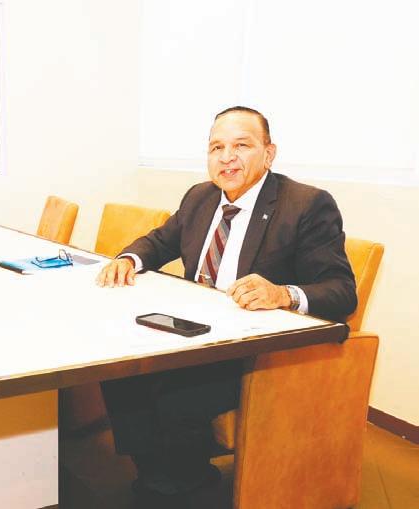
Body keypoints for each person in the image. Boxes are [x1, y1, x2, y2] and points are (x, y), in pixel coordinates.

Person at [95, 106, 357, 506]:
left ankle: (176, 482)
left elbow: (342, 291)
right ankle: (162, 473)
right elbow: (159, 241)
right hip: (189, 330)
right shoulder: (200, 197)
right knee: (116, 366)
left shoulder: (306, 205)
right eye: (216, 147)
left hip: (250, 353)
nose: (227, 157)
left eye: (241, 145)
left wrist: (282, 294)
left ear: (269, 153)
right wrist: (128, 259)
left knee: (172, 391)